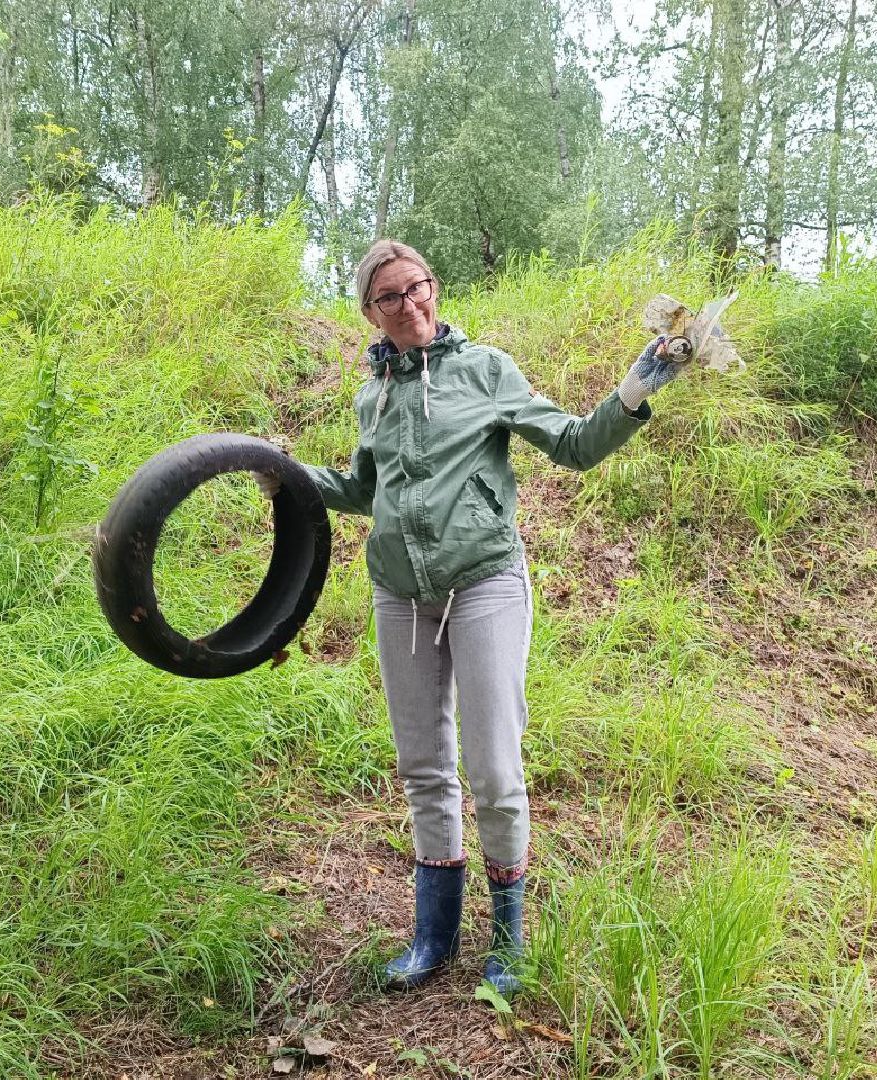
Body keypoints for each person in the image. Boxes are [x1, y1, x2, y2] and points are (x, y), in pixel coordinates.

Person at [256, 239, 689, 997]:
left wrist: (630, 393)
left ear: (435, 287)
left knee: (492, 768)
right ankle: (434, 937)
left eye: (417, 287)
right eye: (389, 296)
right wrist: (285, 474)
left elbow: (575, 447)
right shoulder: (375, 394)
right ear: (369, 312)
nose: (410, 305)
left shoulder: (486, 369)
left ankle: (509, 941)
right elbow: (365, 489)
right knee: (424, 767)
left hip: (484, 579)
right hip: (400, 593)